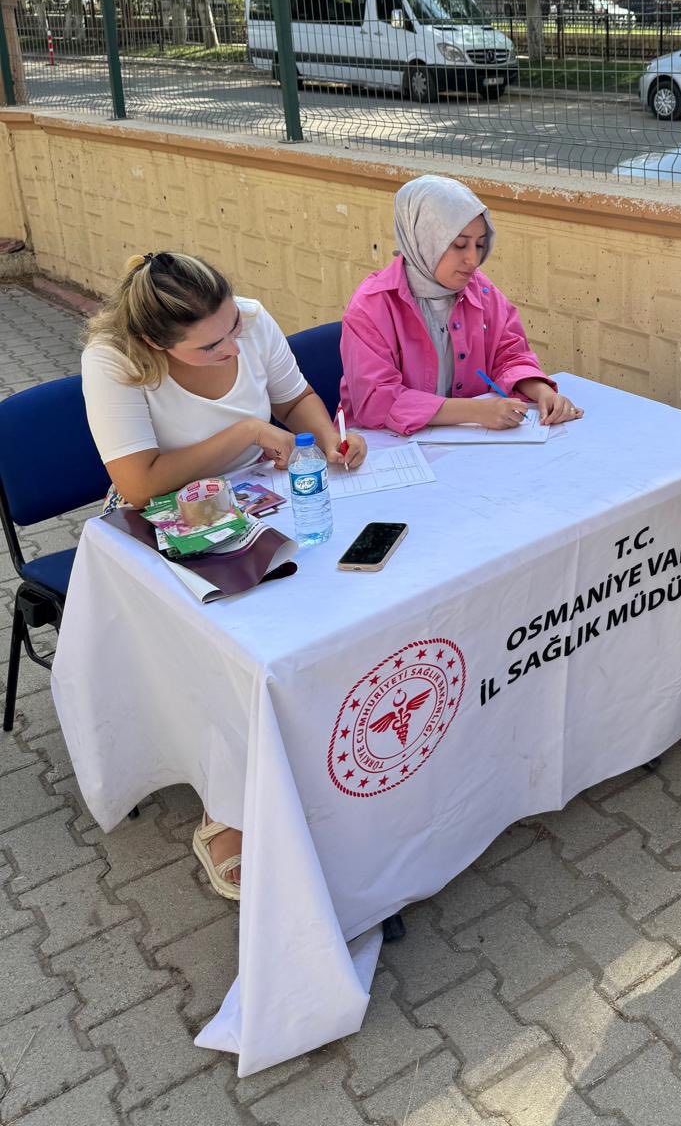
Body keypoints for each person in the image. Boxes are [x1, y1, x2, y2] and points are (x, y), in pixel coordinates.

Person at [81, 251, 367, 903]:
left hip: (258, 502)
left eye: (235, 324)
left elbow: (295, 399)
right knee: (232, 640)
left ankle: (310, 762)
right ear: (157, 342)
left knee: (326, 601)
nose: (234, 342)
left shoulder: (251, 321)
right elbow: (138, 480)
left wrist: (326, 440)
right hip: (160, 525)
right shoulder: (114, 360)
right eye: (213, 344)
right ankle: (227, 806)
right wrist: (243, 430)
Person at [340, 175, 582, 433]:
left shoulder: (480, 290)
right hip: (381, 449)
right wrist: (477, 411)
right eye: (458, 245)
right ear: (422, 239)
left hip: (463, 444)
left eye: (479, 245)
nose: (473, 259)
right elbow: (377, 399)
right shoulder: (372, 305)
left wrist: (542, 392)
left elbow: (510, 353)